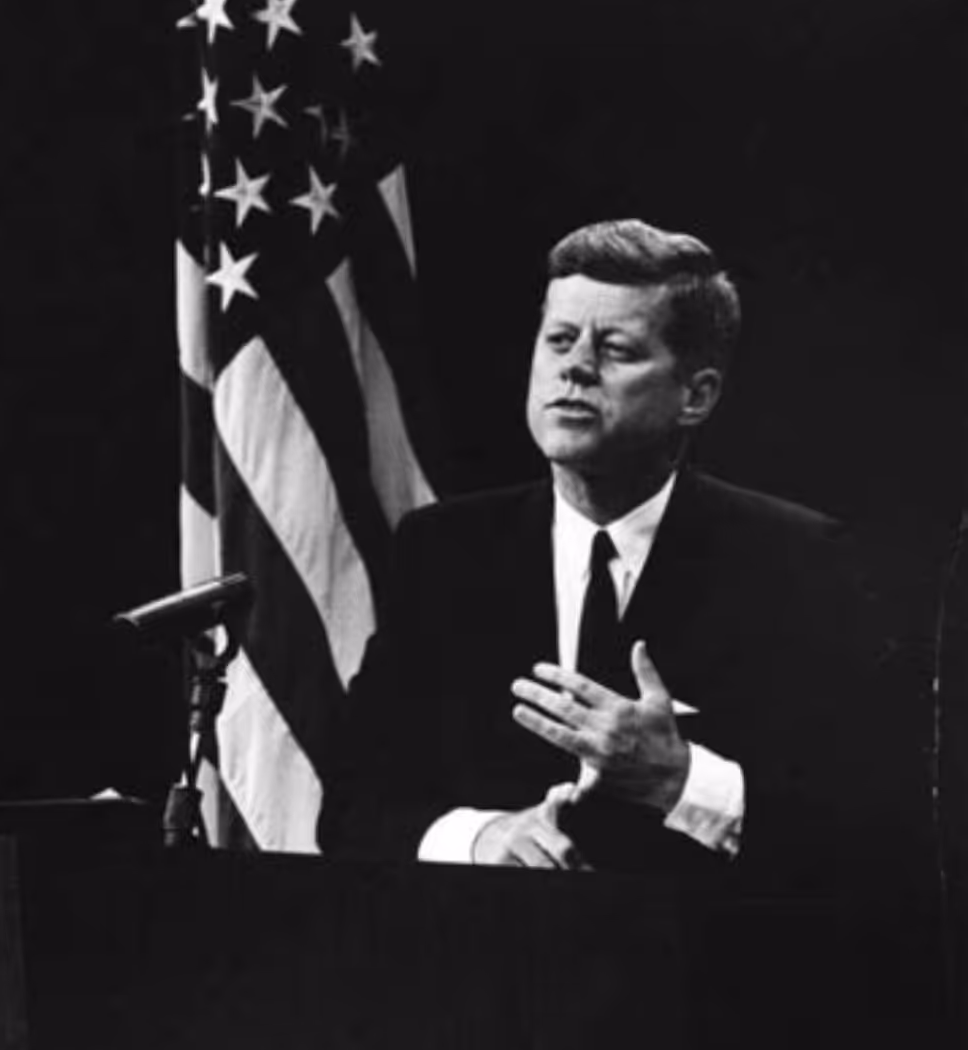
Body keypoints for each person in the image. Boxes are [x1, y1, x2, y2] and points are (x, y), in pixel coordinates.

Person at [319, 218, 886, 891]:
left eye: (615, 349)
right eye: (559, 340)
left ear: (696, 395)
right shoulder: (440, 553)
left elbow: (869, 835)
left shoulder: (796, 562)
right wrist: (479, 837)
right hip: (482, 954)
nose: (575, 367)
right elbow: (352, 808)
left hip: (696, 954)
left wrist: (681, 780)